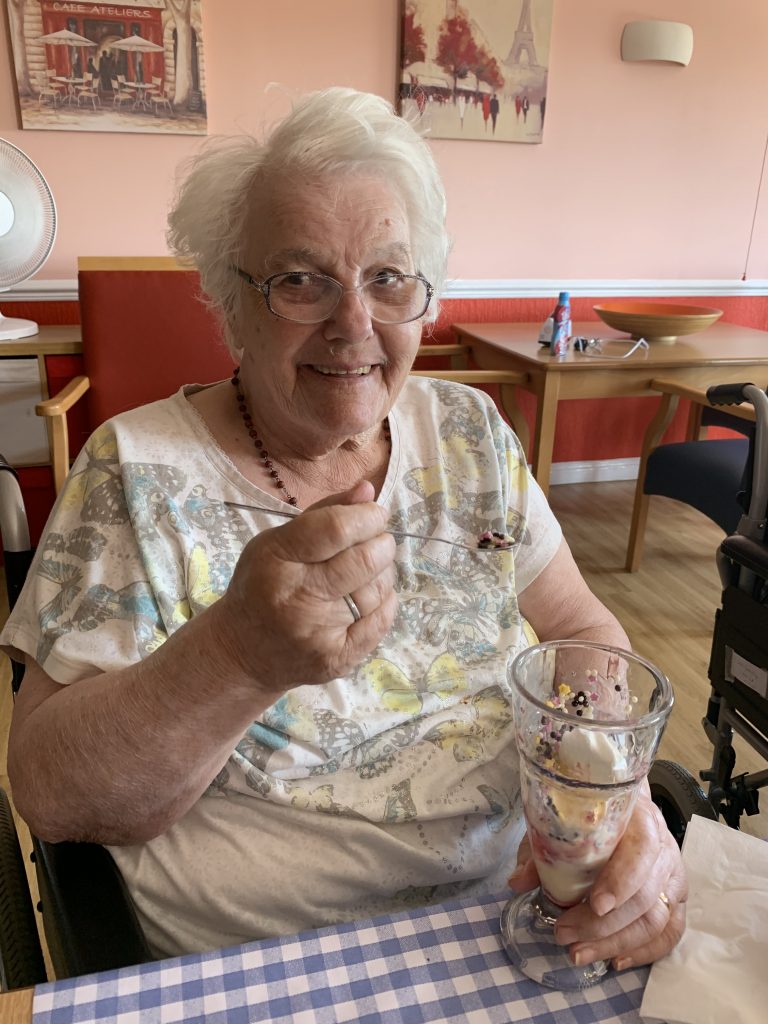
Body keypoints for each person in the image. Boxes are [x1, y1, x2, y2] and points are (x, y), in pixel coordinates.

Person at [1, 87, 686, 965]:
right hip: (277, 963)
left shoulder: (470, 432)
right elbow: (52, 792)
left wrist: (612, 797)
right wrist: (237, 655)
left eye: (388, 278)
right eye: (300, 280)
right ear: (231, 302)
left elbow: (581, 628)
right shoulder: (131, 473)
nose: (354, 323)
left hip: (525, 915)